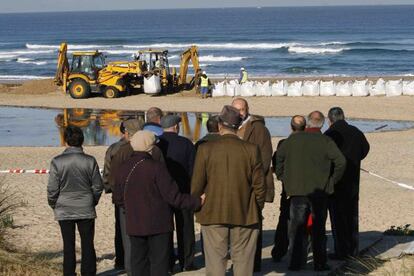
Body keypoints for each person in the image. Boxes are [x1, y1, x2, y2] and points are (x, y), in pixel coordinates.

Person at [116, 131, 204, 276]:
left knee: (138, 261)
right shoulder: (157, 168)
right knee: (159, 263)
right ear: (150, 147)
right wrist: (197, 201)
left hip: (135, 222)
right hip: (158, 224)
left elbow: (118, 197)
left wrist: (132, 208)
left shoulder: (123, 167)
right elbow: (173, 197)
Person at [192, 105, 266, 276]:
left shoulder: (206, 149)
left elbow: (197, 183)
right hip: (245, 211)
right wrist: (255, 207)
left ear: (219, 126)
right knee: (243, 261)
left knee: (215, 261)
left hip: (213, 211)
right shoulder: (251, 149)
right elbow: (259, 186)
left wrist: (197, 204)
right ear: (238, 126)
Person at [275, 115, 346, 271]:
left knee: (296, 229)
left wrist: (284, 178)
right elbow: (341, 161)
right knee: (318, 229)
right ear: (322, 124)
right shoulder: (325, 141)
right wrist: (332, 181)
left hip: (297, 191)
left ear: (308, 123)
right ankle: (319, 263)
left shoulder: (292, 140)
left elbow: (278, 159)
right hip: (319, 191)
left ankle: (295, 262)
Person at [110, 119, 164, 275]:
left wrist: (119, 198)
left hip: (127, 201)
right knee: (151, 239)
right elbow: (163, 176)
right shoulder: (155, 151)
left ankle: (131, 270)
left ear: (127, 133)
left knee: (130, 239)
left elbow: (113, 178)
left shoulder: (121, 151)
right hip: (152, 200)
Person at [47, 126, 103, 276]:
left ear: (65, 141)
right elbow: (98, 186)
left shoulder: (57, 161)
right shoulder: (90, 160)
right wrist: (91, 201)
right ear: (82, 140)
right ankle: (89, 273)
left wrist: (54, 204)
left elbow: (52, 188)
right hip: (85, 206)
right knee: (87, 243)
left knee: (68, 245)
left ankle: (69, 273)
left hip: (64, 207)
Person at [231, 97, 273, 272]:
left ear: (247, 109)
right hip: (232, 184)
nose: (239, 113)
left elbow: (265, 156)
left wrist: (252, 179)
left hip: (253, 183)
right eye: (235, 110)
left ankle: (254, 263)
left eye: (241, 109)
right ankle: (238, 262)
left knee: (254, 224)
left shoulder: (258, 129)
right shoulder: (228, 127)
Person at [324, 107, 370, 259]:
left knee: (338, 218)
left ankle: (342, 251)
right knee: (352, 216)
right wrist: (355, 158)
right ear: (343, 117)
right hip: (353, 180)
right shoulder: (355, 131)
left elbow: (325, 156)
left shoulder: (330, 134)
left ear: (330, 120)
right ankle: (353, 250)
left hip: (336, 181)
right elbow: (365, 149)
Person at [158, 114, 197, 272]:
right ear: (175, 127)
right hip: (183, 191)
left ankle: (167, 262)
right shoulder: (186, 143)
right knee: (186, 228)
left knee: (165, 229)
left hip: (162, 192)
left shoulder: (158, 144)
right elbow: (193, 169)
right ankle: (187, 261)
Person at [102, 119, 142, 271]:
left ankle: (121, 260)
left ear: (125, 132)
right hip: (141, 194)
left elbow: (107, 172)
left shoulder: (114, 149)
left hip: (120, 194)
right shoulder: (146, 146)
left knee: (121, 228)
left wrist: (109, 188)